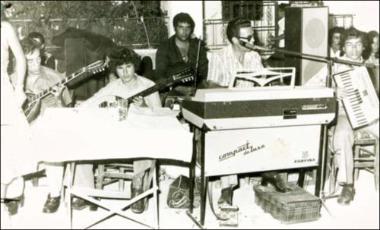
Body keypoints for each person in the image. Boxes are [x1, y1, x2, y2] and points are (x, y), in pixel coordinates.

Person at [206, 18, 289, 212]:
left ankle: (271, 172)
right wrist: (229, 89)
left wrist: (277, 84)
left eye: (253, 35)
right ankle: (227, 189)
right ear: (235, 40)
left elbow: (264, 79)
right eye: (249, 37)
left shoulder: (253, 56)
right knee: (227, 137)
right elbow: (210, 85)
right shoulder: (218, 57)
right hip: (227, 111)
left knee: (277, 124)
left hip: (252, 108)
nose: (253, 39)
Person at [76, 47, 162, 214]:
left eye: (128, 67)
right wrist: (81, 106)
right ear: (116, 69)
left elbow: (159, 116)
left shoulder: (149, 85)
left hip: (139, 137)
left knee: (147, 140)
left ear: (135, 66)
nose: (125, 72)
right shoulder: (113, 85)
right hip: (115, 137)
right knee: (82, 138)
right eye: (120, 68)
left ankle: (138, 190)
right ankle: (86, 192)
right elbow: (94, 100)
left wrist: (144, 106)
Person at [306, 27, 379, 205]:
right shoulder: (335, 65)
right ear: (343, 47)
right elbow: (309, 85)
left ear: (364, 47)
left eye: (358, 45)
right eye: (349, 45)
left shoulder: (371, 66)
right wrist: (333, 90)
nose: (353, 49)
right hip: (345, 114)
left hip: (370, 116)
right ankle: (348, 184)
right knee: (342, 135)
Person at [13, 36, 73, 214]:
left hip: (48, 126)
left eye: (39, 59)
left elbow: (66, 114)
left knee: (52, 141)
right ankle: (13, 192)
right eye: (30, 61)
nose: (37, 64)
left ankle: (54, 194)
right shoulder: (10, 79)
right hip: (20, 127)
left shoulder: (54, 77)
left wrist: (58, 98)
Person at [1, 2, 30, 217]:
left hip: (2, 89)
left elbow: (20, 58)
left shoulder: (5, 28)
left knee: (9, 142)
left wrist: (19, 87)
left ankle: (13, 191)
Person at [155, 12, 209, 99]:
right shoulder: (164, 47)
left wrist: (198, 87)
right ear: (174, 28)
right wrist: (177, 87)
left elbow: (203, 72)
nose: (185, 31)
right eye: (181, 27)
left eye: (188, 27)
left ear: (191, 29)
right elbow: (160, 76)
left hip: (196, 92)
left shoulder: (198, 46)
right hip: (171, 92)